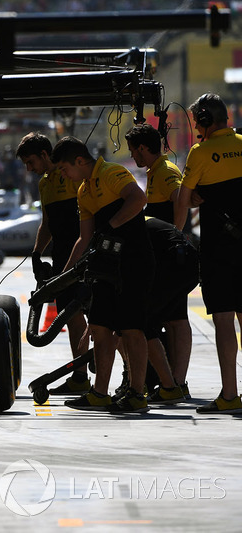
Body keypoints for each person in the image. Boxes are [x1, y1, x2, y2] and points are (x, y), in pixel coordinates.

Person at [52, 136, 154, 413]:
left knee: (131, 327)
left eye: (63, 169)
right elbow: (84, 238)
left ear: (80, 161)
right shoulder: (83, 191)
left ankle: (136, 393)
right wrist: (62, 277)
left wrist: (110, 225)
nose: (63, 175)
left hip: (133, 261)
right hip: (106, 266)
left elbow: (138, 199)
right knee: (99, 327)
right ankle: (99, 392)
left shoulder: (111, 172)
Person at [174, 93, 242, 414]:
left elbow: (184, 201)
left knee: (224, 321)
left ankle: (230, 395)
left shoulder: (200, 153)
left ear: (203, 120)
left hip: (219, 250)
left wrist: (199, 196)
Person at [16, 132, 89, 395]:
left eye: (31, 162)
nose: (29, 169)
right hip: (60, 259)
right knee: (70, 317)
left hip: (85, 254)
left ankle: (130, 378)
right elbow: (47, 223)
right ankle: (80, 379)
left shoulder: (69, 175)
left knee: (105, 319)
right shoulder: (44, 184)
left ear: (45, 155)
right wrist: (36, 253)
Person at [125, 123, 193, 397]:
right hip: (162, 256)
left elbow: (181, 199)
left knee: (176, 320)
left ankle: (177, 380)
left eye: (133, 151)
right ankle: (174, 381)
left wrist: (175, 236)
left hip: (169, 257)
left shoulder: (165, 171)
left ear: (143, 148)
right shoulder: (155, 173)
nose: (134, 157)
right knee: (173, 317)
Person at [142, 217, 198, 405]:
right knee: (173, 318)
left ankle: (170, 386)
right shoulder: (140, 219)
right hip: (181, 256)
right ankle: (176, 383)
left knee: (138, 321)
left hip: (174, 259)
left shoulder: (123, 224)